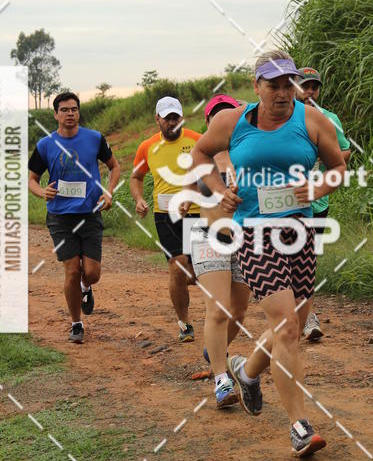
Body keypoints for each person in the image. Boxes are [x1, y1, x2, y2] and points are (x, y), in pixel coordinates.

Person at [191, 50, 346, 457]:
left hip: (299, 232)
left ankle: (247, 371)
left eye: (288, 84)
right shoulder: (232, 121)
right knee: (289, 328)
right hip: (254, 234)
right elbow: (200, 155)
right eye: (273, 85)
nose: (282, 93)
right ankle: (299, 424)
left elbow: (338, 168)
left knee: (288, 324)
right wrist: (220, 190)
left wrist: (317, 189)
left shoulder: (312, 121)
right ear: (256, 86)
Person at [28, 92, 120, 343]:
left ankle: (86, 287)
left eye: (74, 109)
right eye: (65, 110)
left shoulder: (94, 139)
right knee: (71, 270)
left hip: (90, 214)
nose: (70, 114)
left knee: (91, 272)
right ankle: (76, 323)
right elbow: (32, 179)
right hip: (60, 217)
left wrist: (108, 192)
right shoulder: (46, 145)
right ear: (55, 114)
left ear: (79, 112)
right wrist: (41, 192)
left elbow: (115, 166)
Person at [189, 95, 250, 408]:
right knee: (218, 310)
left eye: (230, 113)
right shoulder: (203, 154)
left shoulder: (251, 151)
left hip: (245, 239)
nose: (224, 119)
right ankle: (221, 379)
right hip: (209, 236)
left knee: (238, 313)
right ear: (210, 120)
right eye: (217, 115)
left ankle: (214, 351)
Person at [130, 96, 201, 343]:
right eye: (167, 118)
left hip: (197, 213)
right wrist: (139, 199)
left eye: (176, 117)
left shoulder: (197, 141)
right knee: (178, 266)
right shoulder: (147, 146)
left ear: (182, 118)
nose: (172, 122)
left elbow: (213, 172)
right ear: (157, 119)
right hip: (165, 214)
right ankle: (185, 323)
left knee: (196, 273)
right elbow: (136, 177)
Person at [295, 67, 351, 340]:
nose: (310, 92)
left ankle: (306, 315)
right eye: (304, 86)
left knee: (307, 259)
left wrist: (325, 159)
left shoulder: (329, 118)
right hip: (282, 203)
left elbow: (345, 150)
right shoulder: (283, 118)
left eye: (314, 87)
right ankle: (296, 314)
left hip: (317, 202)